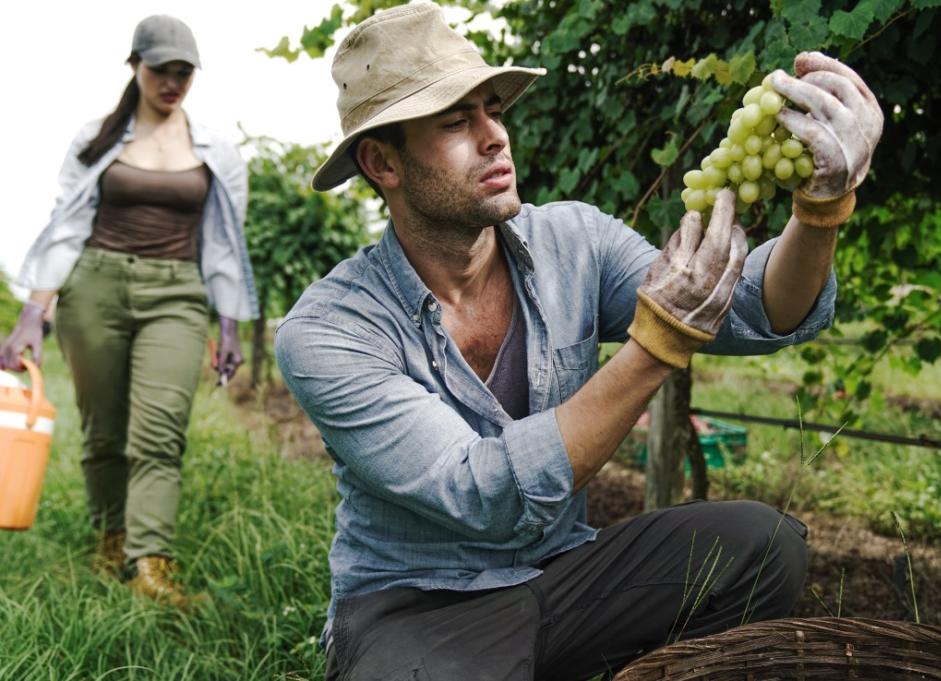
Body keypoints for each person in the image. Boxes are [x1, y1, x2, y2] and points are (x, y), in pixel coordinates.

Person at [275, 5, 881, 680]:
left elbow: (750, 311)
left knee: (763, 546)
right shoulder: (328, 330)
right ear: (382, 162)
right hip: (422, 606)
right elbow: (482, 495)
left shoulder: (575, 240)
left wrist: (821, 210)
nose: (494, 137)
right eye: (455, 121)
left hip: (565, 574)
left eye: (492, 111)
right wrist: (654, 344)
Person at [0, 15, 258, 608]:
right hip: (94, 288)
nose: (173, 82)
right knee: (103, 431)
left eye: (184, 72)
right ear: (135, 66)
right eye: (161, 69)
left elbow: (225, 243)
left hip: (177, 295)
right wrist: (30, 315)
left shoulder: (216, 148)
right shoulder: (97, 139)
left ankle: (152, 564)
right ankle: (110, 539)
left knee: (159, 432)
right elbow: (66, 229)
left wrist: (228, 324)